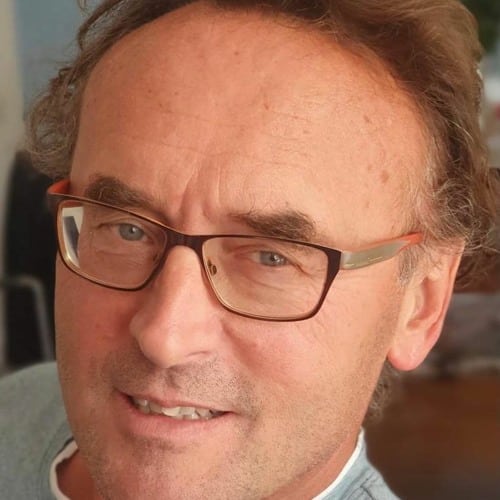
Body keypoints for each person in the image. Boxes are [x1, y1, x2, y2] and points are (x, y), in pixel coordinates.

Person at [1, 0, 498, 498]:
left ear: (421, 303)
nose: (164, 337)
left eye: (271, 257)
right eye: (127, 230)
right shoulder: (18, 406)